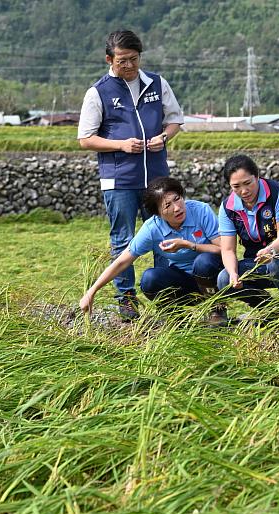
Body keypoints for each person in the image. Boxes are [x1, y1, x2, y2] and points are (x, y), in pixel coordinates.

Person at [78, 29, 184, 320]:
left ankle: (168, 296)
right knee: (123, 239)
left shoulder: (157, 83)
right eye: (122, 61)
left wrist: (164, 137)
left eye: (133, 60)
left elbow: (175, 120)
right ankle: (126, 299)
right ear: (109, 59)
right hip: (119, 179)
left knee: (164, 234)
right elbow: (85, 138)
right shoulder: (98, 92)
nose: (128, 66)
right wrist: (121, 145)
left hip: (157, 178)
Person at [79, 177, 226, 324]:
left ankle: (217, 309)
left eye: (177, 199)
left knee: (204, 262)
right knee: (150, 279)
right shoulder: (152, 228)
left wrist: (189, 245)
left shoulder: (201, 210)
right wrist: (91, 292)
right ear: (157, 213)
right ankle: (175, 317)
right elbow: (122, 261)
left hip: (213, 278)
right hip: (184, 282)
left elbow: (224, 249)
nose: (177, 207)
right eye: (167, 205)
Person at [217, 154, 279, 321]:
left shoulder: (278, 193)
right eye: (236, 186)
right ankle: (271, 312)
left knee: (276, 263)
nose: (243, 191)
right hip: (259, 262)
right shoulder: (227, 207)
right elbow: (227, 249)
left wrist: (269, 251)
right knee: (224, 278)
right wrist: (233, 273)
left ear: (257, 176)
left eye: (248, 183)